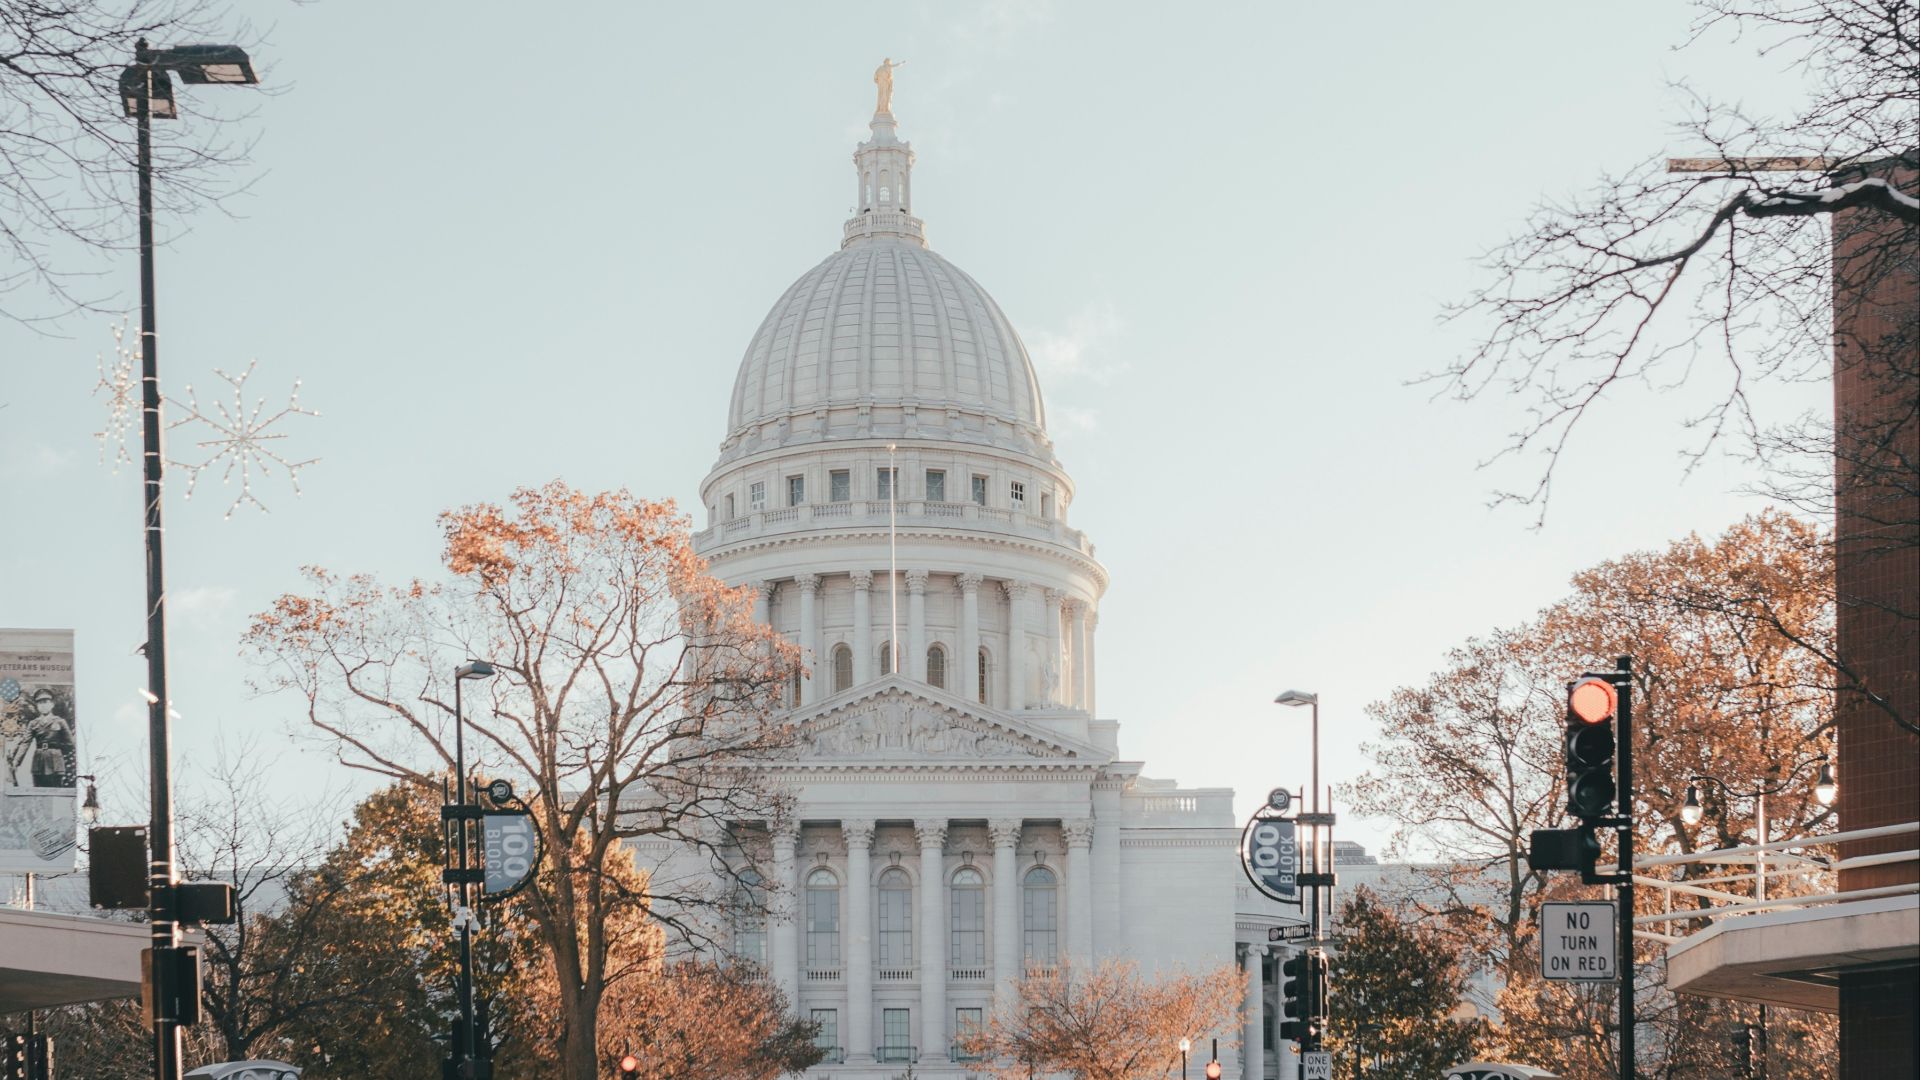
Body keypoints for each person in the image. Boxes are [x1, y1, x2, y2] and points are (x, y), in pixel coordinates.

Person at [27, 688, 74, 788]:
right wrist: (16, 762)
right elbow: (24, 743)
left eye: (45, 702)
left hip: (55, 762)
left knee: (56, 793)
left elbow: (70, 744)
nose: (43, 705)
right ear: (37, 706)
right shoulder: (33, 723)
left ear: (52, 704)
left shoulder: (60, 722)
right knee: (39, 794)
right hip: (38, 762)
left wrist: (57, 750)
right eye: (40, 703)